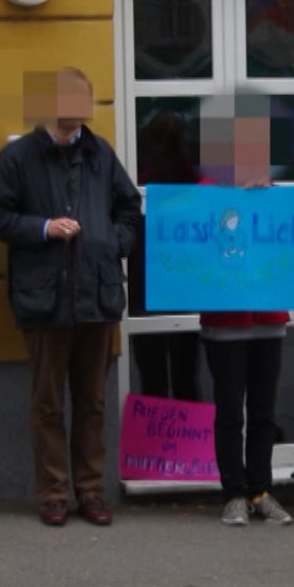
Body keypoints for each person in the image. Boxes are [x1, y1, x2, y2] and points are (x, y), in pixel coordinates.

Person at [0, 67, 142, 528]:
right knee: (48, 403)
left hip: (97, 295)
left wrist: (113, 244)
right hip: (44, 298)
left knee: (92, 402)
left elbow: (130, 209)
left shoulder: (100, 153)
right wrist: (43, 228)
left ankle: (91, 491)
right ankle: (53, 493)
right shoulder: (19, 157)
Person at [194, 108, 293, 528]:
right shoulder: (207, 191)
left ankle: (260, 490)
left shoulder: (270, 191)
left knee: (264, 411)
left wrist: (266, 196)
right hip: (225, 321)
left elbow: (288, 242)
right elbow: (195, 244)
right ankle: (233, 492)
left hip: (269, 317)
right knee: (231, 411)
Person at [130, 108, 205, 401]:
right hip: (174, 281)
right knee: (182, 375)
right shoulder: (190, 176)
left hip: (149, 280)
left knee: (157, 377)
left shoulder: (143, 176)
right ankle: (184, 445)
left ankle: (162, 445)